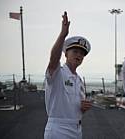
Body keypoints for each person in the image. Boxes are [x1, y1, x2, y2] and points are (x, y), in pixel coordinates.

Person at [44, 11, 92, 139]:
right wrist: (63, 35)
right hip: (58, 129)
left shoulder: (79, 81)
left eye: (82, 53)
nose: (79, 55)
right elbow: (53, 59)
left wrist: (83, 107)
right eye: (75, 51)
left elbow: (76, 107)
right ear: (65, 54)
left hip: (77, 129)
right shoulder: (58, 73)